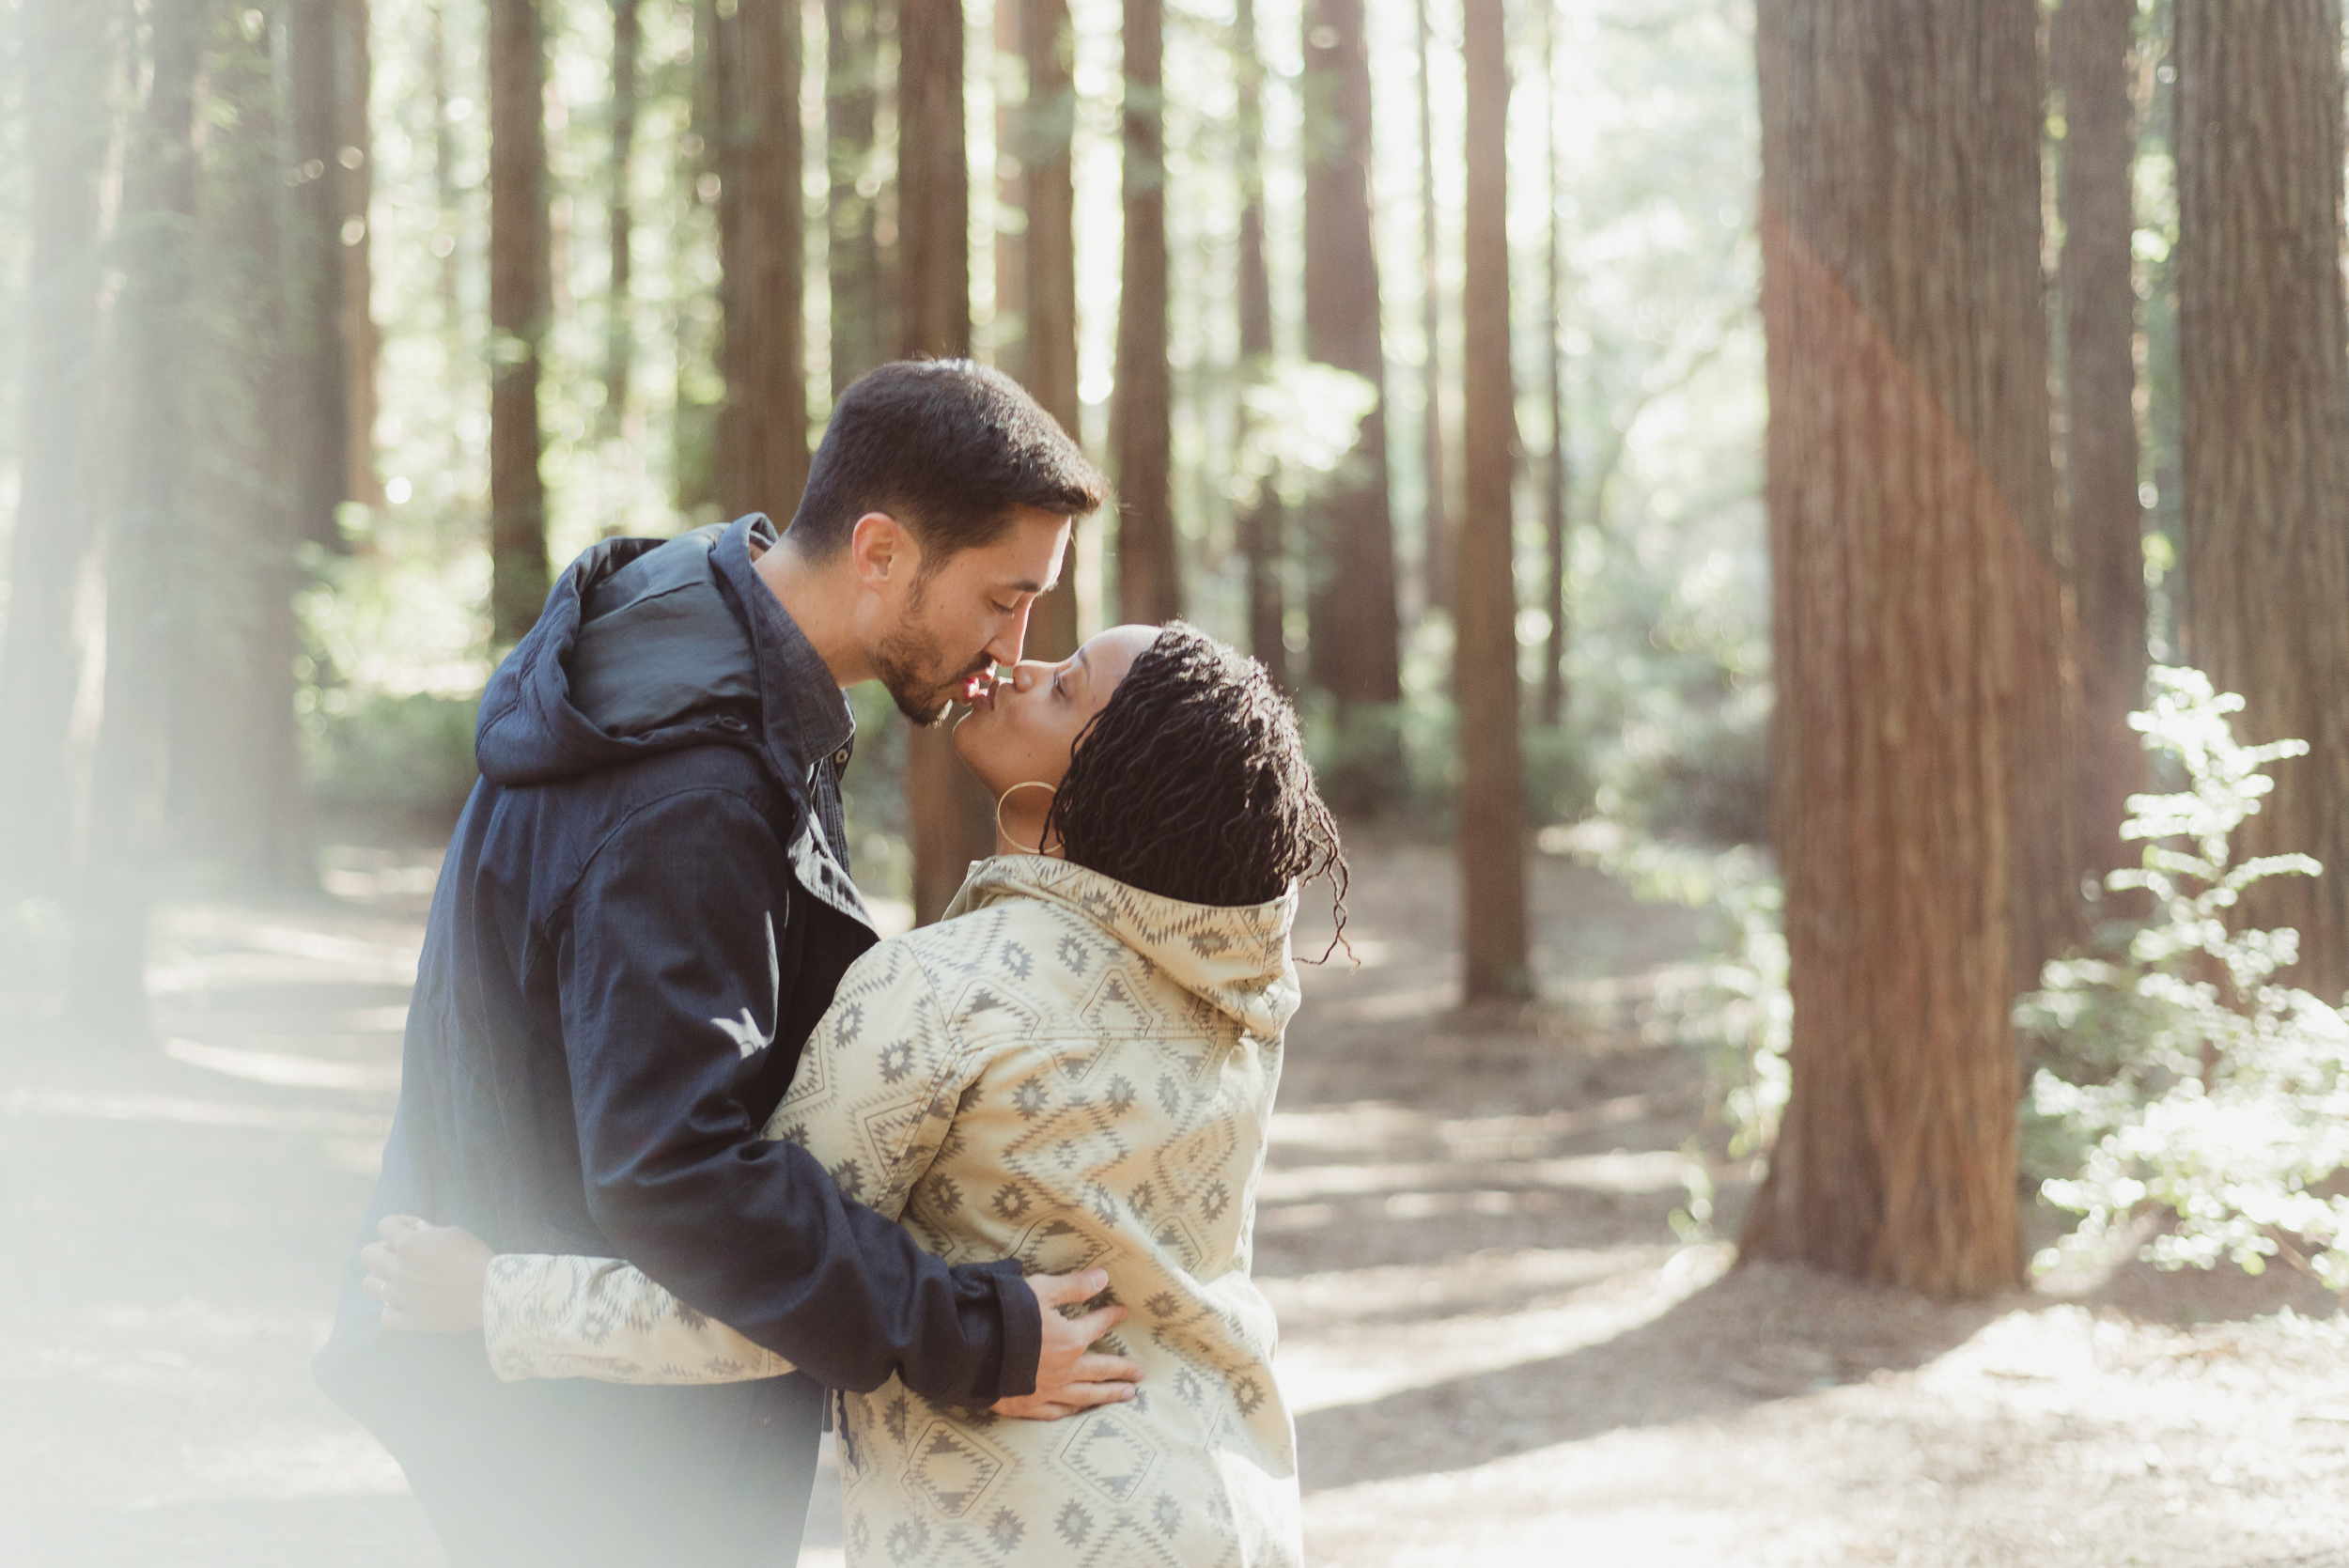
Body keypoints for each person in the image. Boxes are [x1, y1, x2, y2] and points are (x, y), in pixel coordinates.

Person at [316, 361, 1144, 1567]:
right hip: (597, 1458)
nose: (1009, 650)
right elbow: (673, 1164)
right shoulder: (690, 789)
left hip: (572, 1408)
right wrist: (970, 1333)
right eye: (1001, 598)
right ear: (878, 552)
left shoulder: (699, 625)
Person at [364, 621, 1347, 1568]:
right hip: (1235, 1508)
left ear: (1113, 782)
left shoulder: (940, 991)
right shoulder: (1230, 995)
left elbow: (764, 1286)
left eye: (1063, 684)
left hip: (1033, 1526)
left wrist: (492, 1295)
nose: (1018, 663)